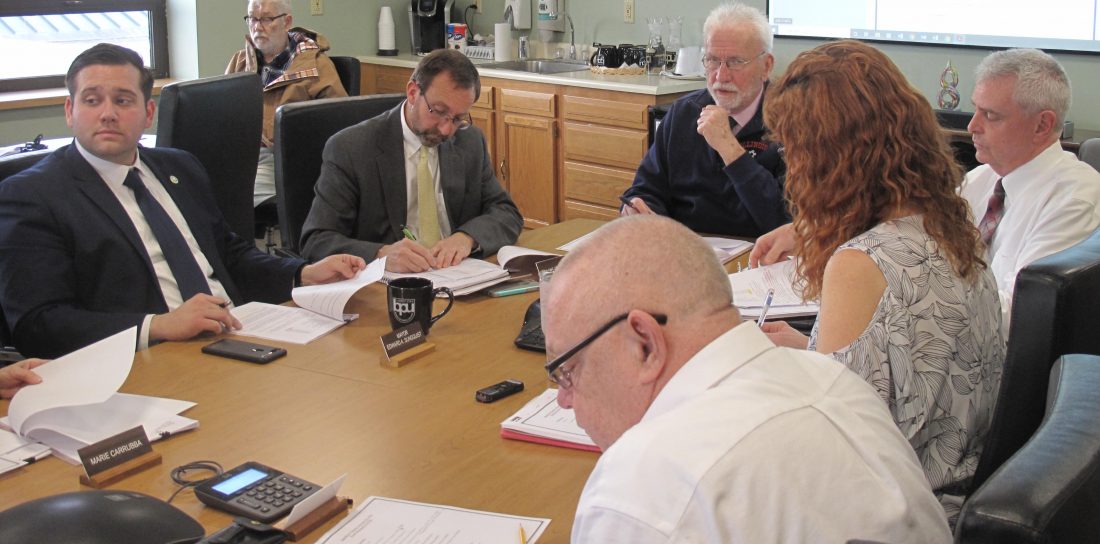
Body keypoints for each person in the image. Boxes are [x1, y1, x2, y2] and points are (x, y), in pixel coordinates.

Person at [543, 215, 951, 543]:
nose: (563, 399)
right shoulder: (835, 382)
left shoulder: (643, 487)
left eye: (568, 371)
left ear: (645, 344)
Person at [754, 41, 1005, 524]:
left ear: (828, 159)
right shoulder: (949, 226)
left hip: (894, 514)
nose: (792, 168)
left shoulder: (861, 263)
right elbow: (905, 369)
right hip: (955, 488)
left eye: (794, 150)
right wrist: (811, 350)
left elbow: (832, 447)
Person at [0, 43, 365, 359]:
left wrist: (301, 273)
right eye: (91, 100)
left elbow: (230, 256)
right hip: (147, 359)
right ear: (70, 111)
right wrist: (157, 325)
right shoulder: (33, 196)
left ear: (148, 113)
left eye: (123, 100)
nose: (107, 113)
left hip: (240, 335)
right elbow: (37, 324)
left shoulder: (179, 167)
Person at [300, 48, 523, 273]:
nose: (446, 130)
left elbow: (506, 213)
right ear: (413, 93)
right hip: (388, 283)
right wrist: (381, 254)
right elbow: (316, 241)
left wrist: (467, 238)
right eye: (438, 111)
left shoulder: (469, 141)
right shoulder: (351, 149)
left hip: (457, 275)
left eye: (457, 118)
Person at [960, 48, 1100, 335]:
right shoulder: (981, 179)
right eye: (976, 109)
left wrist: (928, 301)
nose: (972, 126)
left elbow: (1021, 318)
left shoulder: (1074, 201)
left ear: (1041, 125)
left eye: (990, 115)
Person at [619, 3, 786, 237]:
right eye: (713, 60)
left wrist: (729, 148)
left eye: (736, 62)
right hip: (686, 249)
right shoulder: (683, 113)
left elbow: (787, 220)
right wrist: (638, 208)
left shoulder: (793, 120)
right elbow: (647, 189)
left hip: (761, 253)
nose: (721, 75)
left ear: (766, 66)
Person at [226, 0, 347, 207]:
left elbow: (340, 125)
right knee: (192, 183)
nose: (257, 26)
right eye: (252, 19)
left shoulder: (316, 66)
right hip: (240, 154)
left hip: (285, 161)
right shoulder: (240, 62)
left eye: (266, 19)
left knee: (229, 196)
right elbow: (222, 113)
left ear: (287, 21)